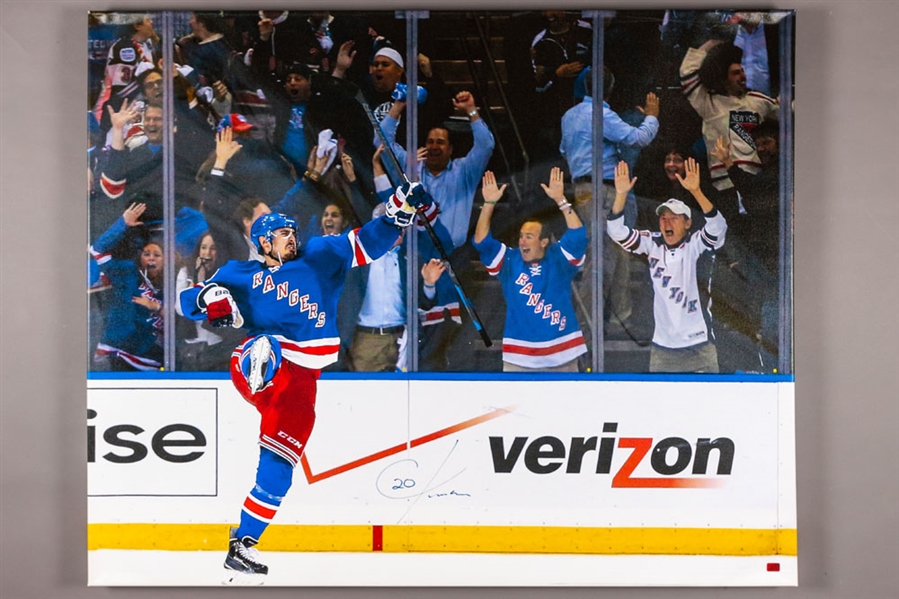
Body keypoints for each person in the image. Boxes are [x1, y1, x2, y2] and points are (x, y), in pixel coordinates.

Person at [178, 181, 431, 582]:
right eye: (282, 235)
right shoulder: (239, 274)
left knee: (278, 470)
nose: (291, 240)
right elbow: (186, 303)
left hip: (301, 382)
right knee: (264, 347)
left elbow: (370, 241)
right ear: (263, 242)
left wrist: (400, 210)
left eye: (292, 233)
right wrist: (210, 299)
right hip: (261, 364)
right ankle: (260, 366)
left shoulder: (320, 254)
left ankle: (242, 543)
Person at [606, 159, 727, 373]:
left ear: (688, 223)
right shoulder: (652, 243)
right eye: (663, 218)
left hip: (700, 346)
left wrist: (696, 191)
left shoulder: (697, 244)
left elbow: (718, 227)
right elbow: (616, 232)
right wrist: (621, 194)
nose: (667, 223)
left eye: (674, 218)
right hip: (663, 349)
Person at [473, 168, 588, 372]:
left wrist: (561, 200)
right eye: (521, 235)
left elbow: (578, 234)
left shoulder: (559, 257)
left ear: (544, 241)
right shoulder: (510, 260)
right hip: (520, 357)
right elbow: (482, 242)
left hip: (564, 353)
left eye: (529, 236)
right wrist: (489, 204)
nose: (521, 240)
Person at [381, 90, 495, 249]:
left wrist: (471, 110)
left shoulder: (464, 172)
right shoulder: (411, 165)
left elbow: (486, 145)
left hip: (453, 257)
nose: (434, 146)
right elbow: (381, 142)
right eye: (430, 142)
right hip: (415, 255)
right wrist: (399, 104)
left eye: (440, 142)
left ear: (450, 149)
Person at [679, 38, 779, 194]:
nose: (742, 76)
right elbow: (687, 73)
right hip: (725, 183)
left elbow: (787, 113)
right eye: (736, 73)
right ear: (724, 79)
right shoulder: (709, 103)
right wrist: (711, 44)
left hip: (756, 179)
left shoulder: (758, 100)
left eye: (743, 71)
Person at [89, 202, 164, 371]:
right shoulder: (127, 271)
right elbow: (98, 251)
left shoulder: (172, 283)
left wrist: (156, 307)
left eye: (157, 255)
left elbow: (179, 320)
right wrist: (122, 223)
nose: (151, 259)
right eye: (147, 254)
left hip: (152, 359)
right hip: (116, 354)